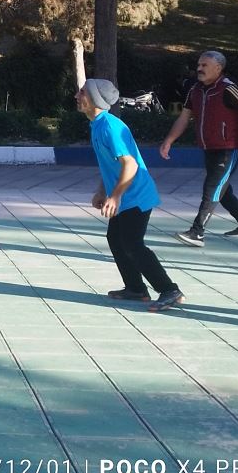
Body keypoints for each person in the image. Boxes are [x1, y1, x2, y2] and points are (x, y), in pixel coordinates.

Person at [75, 79, 184, 312]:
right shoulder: (97, 125)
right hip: (125, 195)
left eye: (82, 92)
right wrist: (102, 191)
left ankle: (169, 290)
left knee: (132, 244)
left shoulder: (110, 127)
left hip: (136, 196)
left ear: (95, 99)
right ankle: (136, 288)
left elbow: (130, 165)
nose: (76, 95)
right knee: (116, 239)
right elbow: (110, 164)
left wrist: (115, 196)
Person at [159, 50, 238, 246]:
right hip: (209, 147)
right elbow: (184, 117)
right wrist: (169, 140)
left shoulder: (229, 89)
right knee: (222, 190)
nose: (199, 69)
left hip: (229, 148)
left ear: (218, 68)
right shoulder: (195, 90)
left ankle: (197, 232)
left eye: (204, 65)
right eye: (198, 65)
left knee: (212, 188)